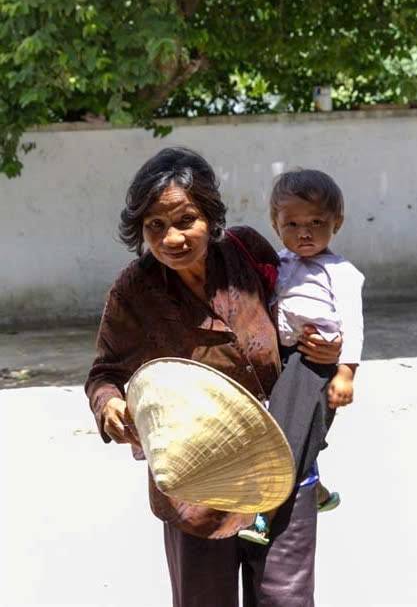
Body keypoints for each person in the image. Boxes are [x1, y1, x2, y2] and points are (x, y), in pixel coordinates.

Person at [85, 148, 341, 607]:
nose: (172, 238)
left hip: (279, 468)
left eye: (186, 220)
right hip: (197, 485)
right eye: (155, 226)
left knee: (286, 600)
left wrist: (329, 346)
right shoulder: (134, 291)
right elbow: (105, 372)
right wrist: (110, 405)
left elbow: (298, 319)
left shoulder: (248, 253)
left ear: (210, 215)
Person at [239, 169, 364, 546]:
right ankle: (317, 490)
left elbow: (354, 325)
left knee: (287, 431)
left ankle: (265, 510)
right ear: (276, 226)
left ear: (337, 222)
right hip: (286, 354)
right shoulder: (278, 264)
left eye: (316, 223)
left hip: (316, 360)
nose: (304, 232)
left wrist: (345, 372)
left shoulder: (341, 272)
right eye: (292, 224)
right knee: (297, 428)